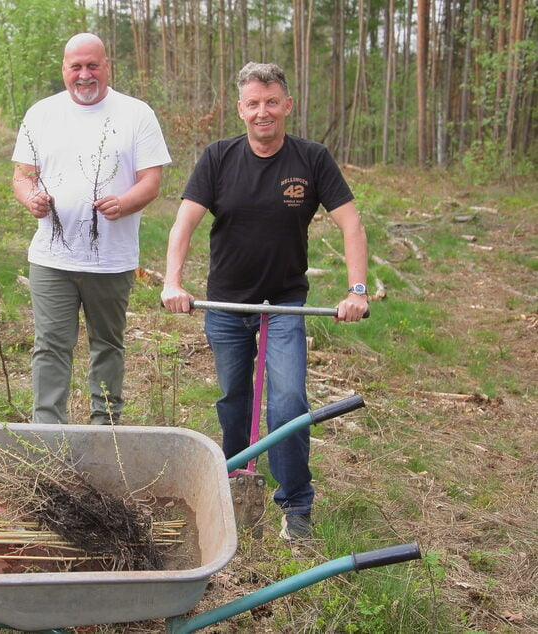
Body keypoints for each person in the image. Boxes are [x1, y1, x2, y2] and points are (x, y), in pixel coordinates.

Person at [160, 62, 369, 540]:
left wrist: (356, 290)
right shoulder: (218, 157)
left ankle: (296, 505)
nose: (262, 112)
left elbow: (352, 225)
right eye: (253, 103)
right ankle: (235, 483)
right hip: (228, 305)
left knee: (290, 400)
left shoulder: (312, 159)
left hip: (285, 302)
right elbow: (183, 224)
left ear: (287, 105)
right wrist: (173, 281)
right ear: (241, 109)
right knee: (235, 397)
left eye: (271, 102)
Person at [12, 33, 171, 425]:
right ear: (64, 70)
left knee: (107, 345)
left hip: (112, 260)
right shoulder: (41, 114)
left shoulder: (136, 114)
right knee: (50, 346)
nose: (84, 75)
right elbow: (22, 175)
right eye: (76, 67)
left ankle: (105, 429)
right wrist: (30, 196)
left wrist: (126, 202)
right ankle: (48, 434)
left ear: (107, 66)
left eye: (92, 66)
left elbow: (151, 181)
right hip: (51, 259)